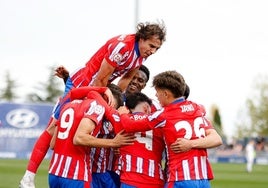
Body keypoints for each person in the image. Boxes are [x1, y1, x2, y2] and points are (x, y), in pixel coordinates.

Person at [19, 21, 166, 188]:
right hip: (82, 84)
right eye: (151, 46)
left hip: (100, 88)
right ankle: (28, 177)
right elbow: (100, 78)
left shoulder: (142, 54)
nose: (153, 51)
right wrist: (103, 103)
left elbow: (125, 79)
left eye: (157, 48)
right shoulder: (123, 46)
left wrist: (116, 101)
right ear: (142, 38)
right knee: (54, 126)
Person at [117, 70, 222, 188]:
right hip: (203, 179)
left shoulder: (163, 115)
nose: (156, 96)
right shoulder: (196, 108)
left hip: (179, 178)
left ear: (166, 94)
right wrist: (192, 143)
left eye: (157, 92)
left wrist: (123, 114)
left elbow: (130, 125)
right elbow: (217, 139)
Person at [48, 84, 136, 188]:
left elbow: (53, 144)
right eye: (110, 108)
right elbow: (79, 138)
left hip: (54, 173)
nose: (108, 113)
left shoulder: (68, 105)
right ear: (107, 100)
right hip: (76, 174)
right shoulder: (98, 106)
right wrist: (114, 142)